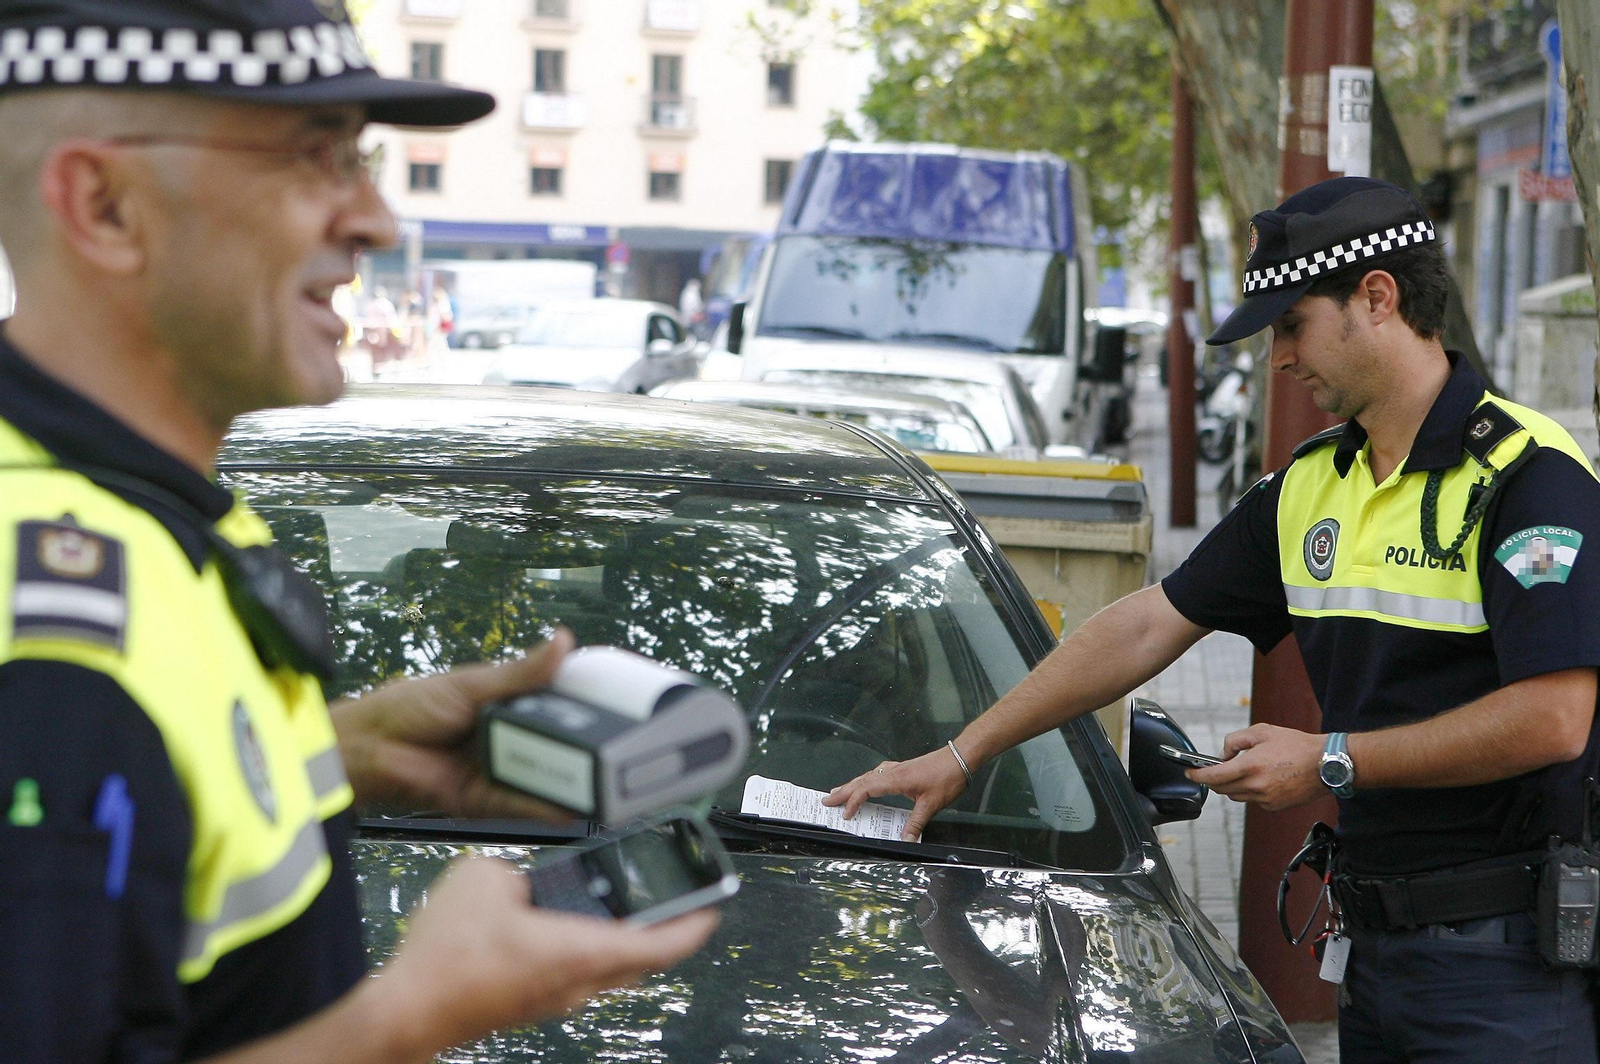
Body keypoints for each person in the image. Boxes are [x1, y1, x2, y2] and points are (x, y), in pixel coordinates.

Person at [0, 2, 714, 1062]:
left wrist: (344, 751)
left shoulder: (123, 505)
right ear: (104, 205)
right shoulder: (50, 651)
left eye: (363, 158)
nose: (378, 221)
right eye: (315, 158)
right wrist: (414, 1014)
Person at [827, 177, 1600, 1061]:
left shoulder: (1527, 475)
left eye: (1291, 325)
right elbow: (1148, 624)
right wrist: (962, 754)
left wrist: (1330, 760)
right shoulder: (1313, 485)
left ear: (1376, 298)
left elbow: (1555, 716)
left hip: (1506, 971)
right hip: (1377, 959)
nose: (1278, 358)